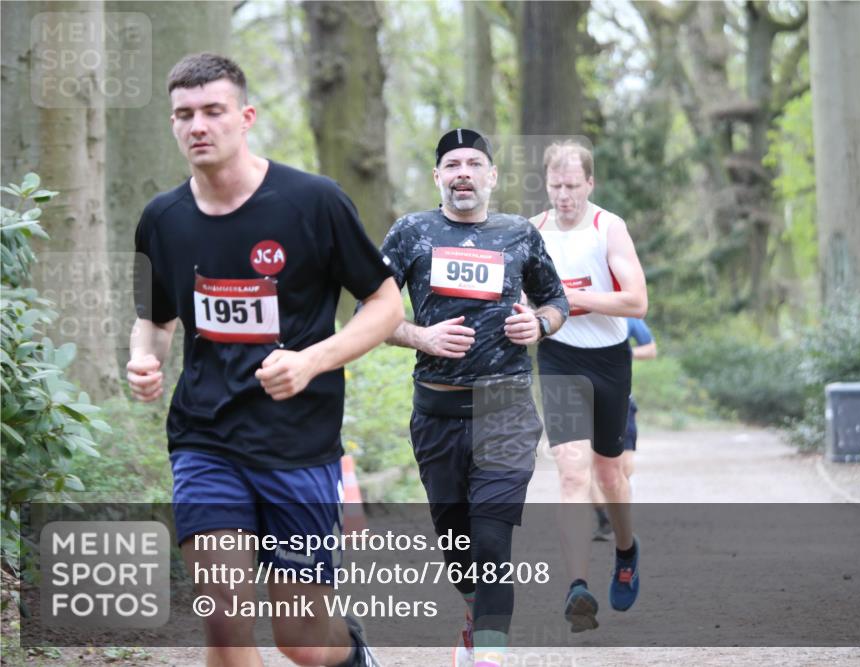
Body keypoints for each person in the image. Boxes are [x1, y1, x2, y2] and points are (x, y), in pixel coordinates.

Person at [126, 53, 402, 667]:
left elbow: (384, 303)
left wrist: (312, 361)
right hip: (205, 438)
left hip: (297, 443)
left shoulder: (313, 201)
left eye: (213, 111)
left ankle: (351, 652)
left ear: (245, 117)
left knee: (303, 643)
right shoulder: (161, 221)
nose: (198, 125)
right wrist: (144, 359)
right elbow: (154, 319)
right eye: (184, 114)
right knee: (224, 622)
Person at [375, 128, 568, 667]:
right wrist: (420, 335)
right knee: (459, 551)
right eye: (453, 164)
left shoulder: (518, 234)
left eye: (474, 163)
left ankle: (489, 656)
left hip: (505, 408)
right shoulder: (411, 232)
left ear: (492, 176)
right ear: (438, 176)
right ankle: (474, 615)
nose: (463, 172)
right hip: (437, 411)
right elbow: (372, 315)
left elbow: (555, 299)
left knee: (491, 542)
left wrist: (541, 323)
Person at [529, 140, 647, 632]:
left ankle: (625, 549)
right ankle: (578, 587)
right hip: (558, 358)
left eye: (573, 186)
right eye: (556, 186)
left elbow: (637, 301)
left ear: (590, 184)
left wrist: (577, 300)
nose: (564, 196)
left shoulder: (608, 227)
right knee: (572, 470)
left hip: (610, 361)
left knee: (609, 474)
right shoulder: (533, 231)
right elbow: (519, 296)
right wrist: (531, 314)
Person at [593, 317, 657, 541]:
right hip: (580, 400)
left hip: (620, 398)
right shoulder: (570, 311)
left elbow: (650, 349)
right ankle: (605, 521)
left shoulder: (626, 316)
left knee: (624, 467)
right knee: (588, 466)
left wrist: (625, 352)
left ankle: (620, 517)